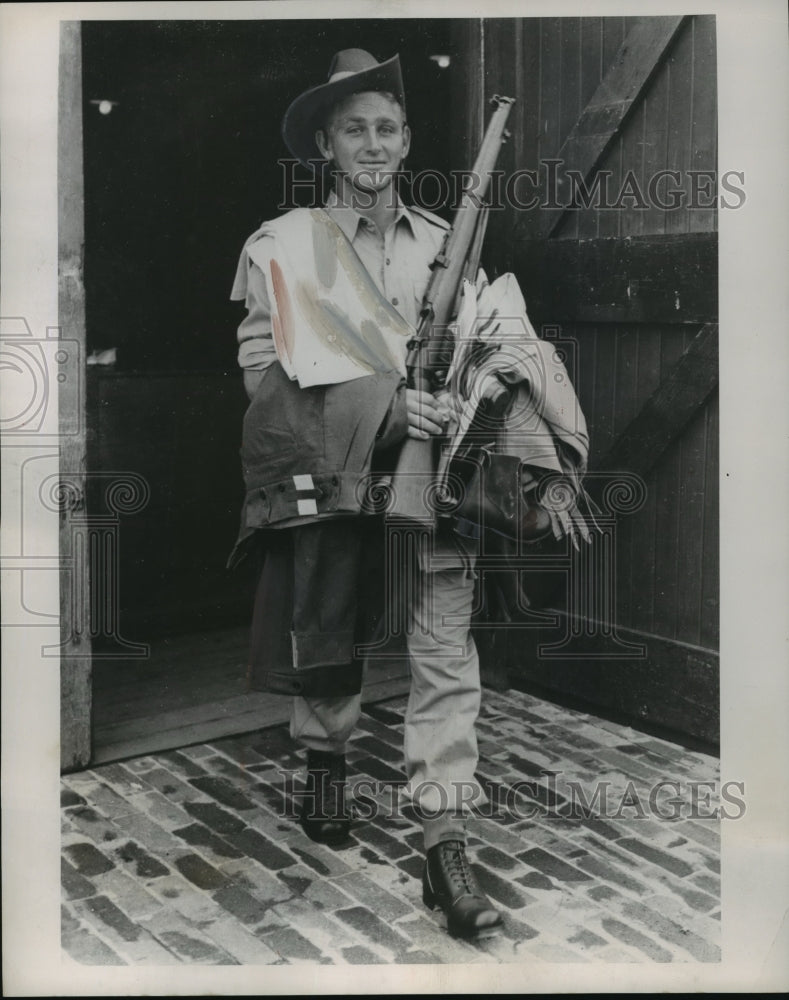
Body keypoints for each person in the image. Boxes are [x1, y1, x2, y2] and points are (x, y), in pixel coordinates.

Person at [229, 48, 503, 940]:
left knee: (444, 649)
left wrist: (471, 397)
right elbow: (262, 378)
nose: (374, 144)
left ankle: (444, 844)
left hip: (435, 472)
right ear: (326, 144)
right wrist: (382, 407)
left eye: (387, 128)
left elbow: (483, 350)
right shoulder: (283, 245)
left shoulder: (446, 243)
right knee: (327, 625)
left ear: (407, 140)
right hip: (336, 466)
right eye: (355, 129)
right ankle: (323, 763)